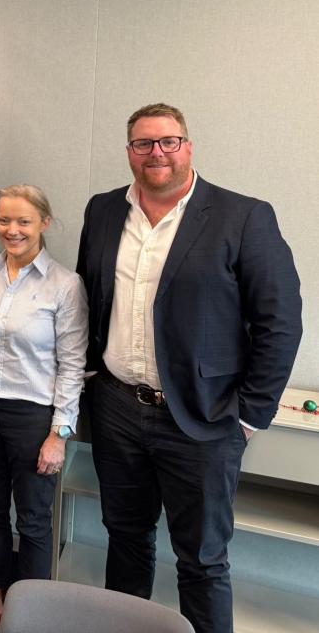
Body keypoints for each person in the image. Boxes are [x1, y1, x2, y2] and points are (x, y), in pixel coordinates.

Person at [76, 103, 302, 633]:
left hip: (203, 421)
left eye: (168, 141)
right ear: (129, 152)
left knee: (200, 559)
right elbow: (89, 294)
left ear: (188, 147)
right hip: (117, 408)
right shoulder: (104, 210)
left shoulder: (243, 216)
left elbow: (280, 322)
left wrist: (250, 415)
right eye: (143, 143)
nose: (156, 152)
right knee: (125, 540)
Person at [0, 185, 88, 630]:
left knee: (32, 519)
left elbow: (73, 364)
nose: (12, 230)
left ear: (44, 223)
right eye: (5, 220)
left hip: (33, 417)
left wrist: (58, 433)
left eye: (23, 221)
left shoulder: (65, 285)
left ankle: (30, 616)